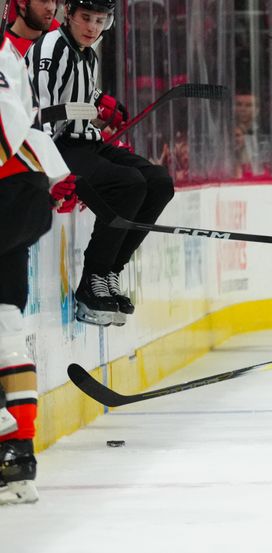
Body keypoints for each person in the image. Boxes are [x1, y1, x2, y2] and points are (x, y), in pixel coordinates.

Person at [27, 0, 175, 327]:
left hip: (85, 142)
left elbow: (85, 95)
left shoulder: (88, 53)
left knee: (159, 181)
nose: (92, 27)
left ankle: (109, 272)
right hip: (57, 146)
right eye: (86, 18)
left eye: (99, 20)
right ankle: (92, 281)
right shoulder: (52, 46)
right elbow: (42, 114)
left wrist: (103, 104)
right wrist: (51, 174)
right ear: (70, 16)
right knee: (128, 184)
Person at [0, 30, 77, 505]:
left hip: (10, 192)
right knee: (6, 321)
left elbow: (8, 125)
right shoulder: (9, 54)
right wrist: (59, 173)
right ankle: (19, 454)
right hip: (22, 191)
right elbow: (24, 125)